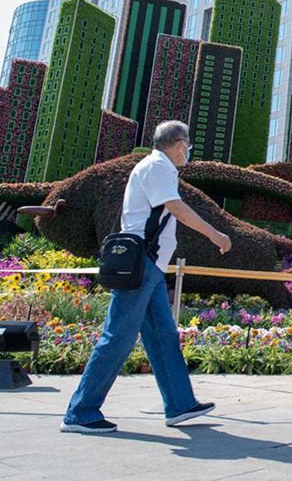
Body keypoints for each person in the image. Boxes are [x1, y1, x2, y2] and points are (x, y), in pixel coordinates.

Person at [61, 121, 232, 433]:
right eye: (188, 146)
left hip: (149, 267)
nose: (188, 153)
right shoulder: (157, 166)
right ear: (179, 144)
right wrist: (216, 234)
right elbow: (177, 209)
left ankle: (180, 404)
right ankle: (81, 411)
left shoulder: (159, 168)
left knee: (163, 336)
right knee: (118, 337)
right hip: (141, 265)